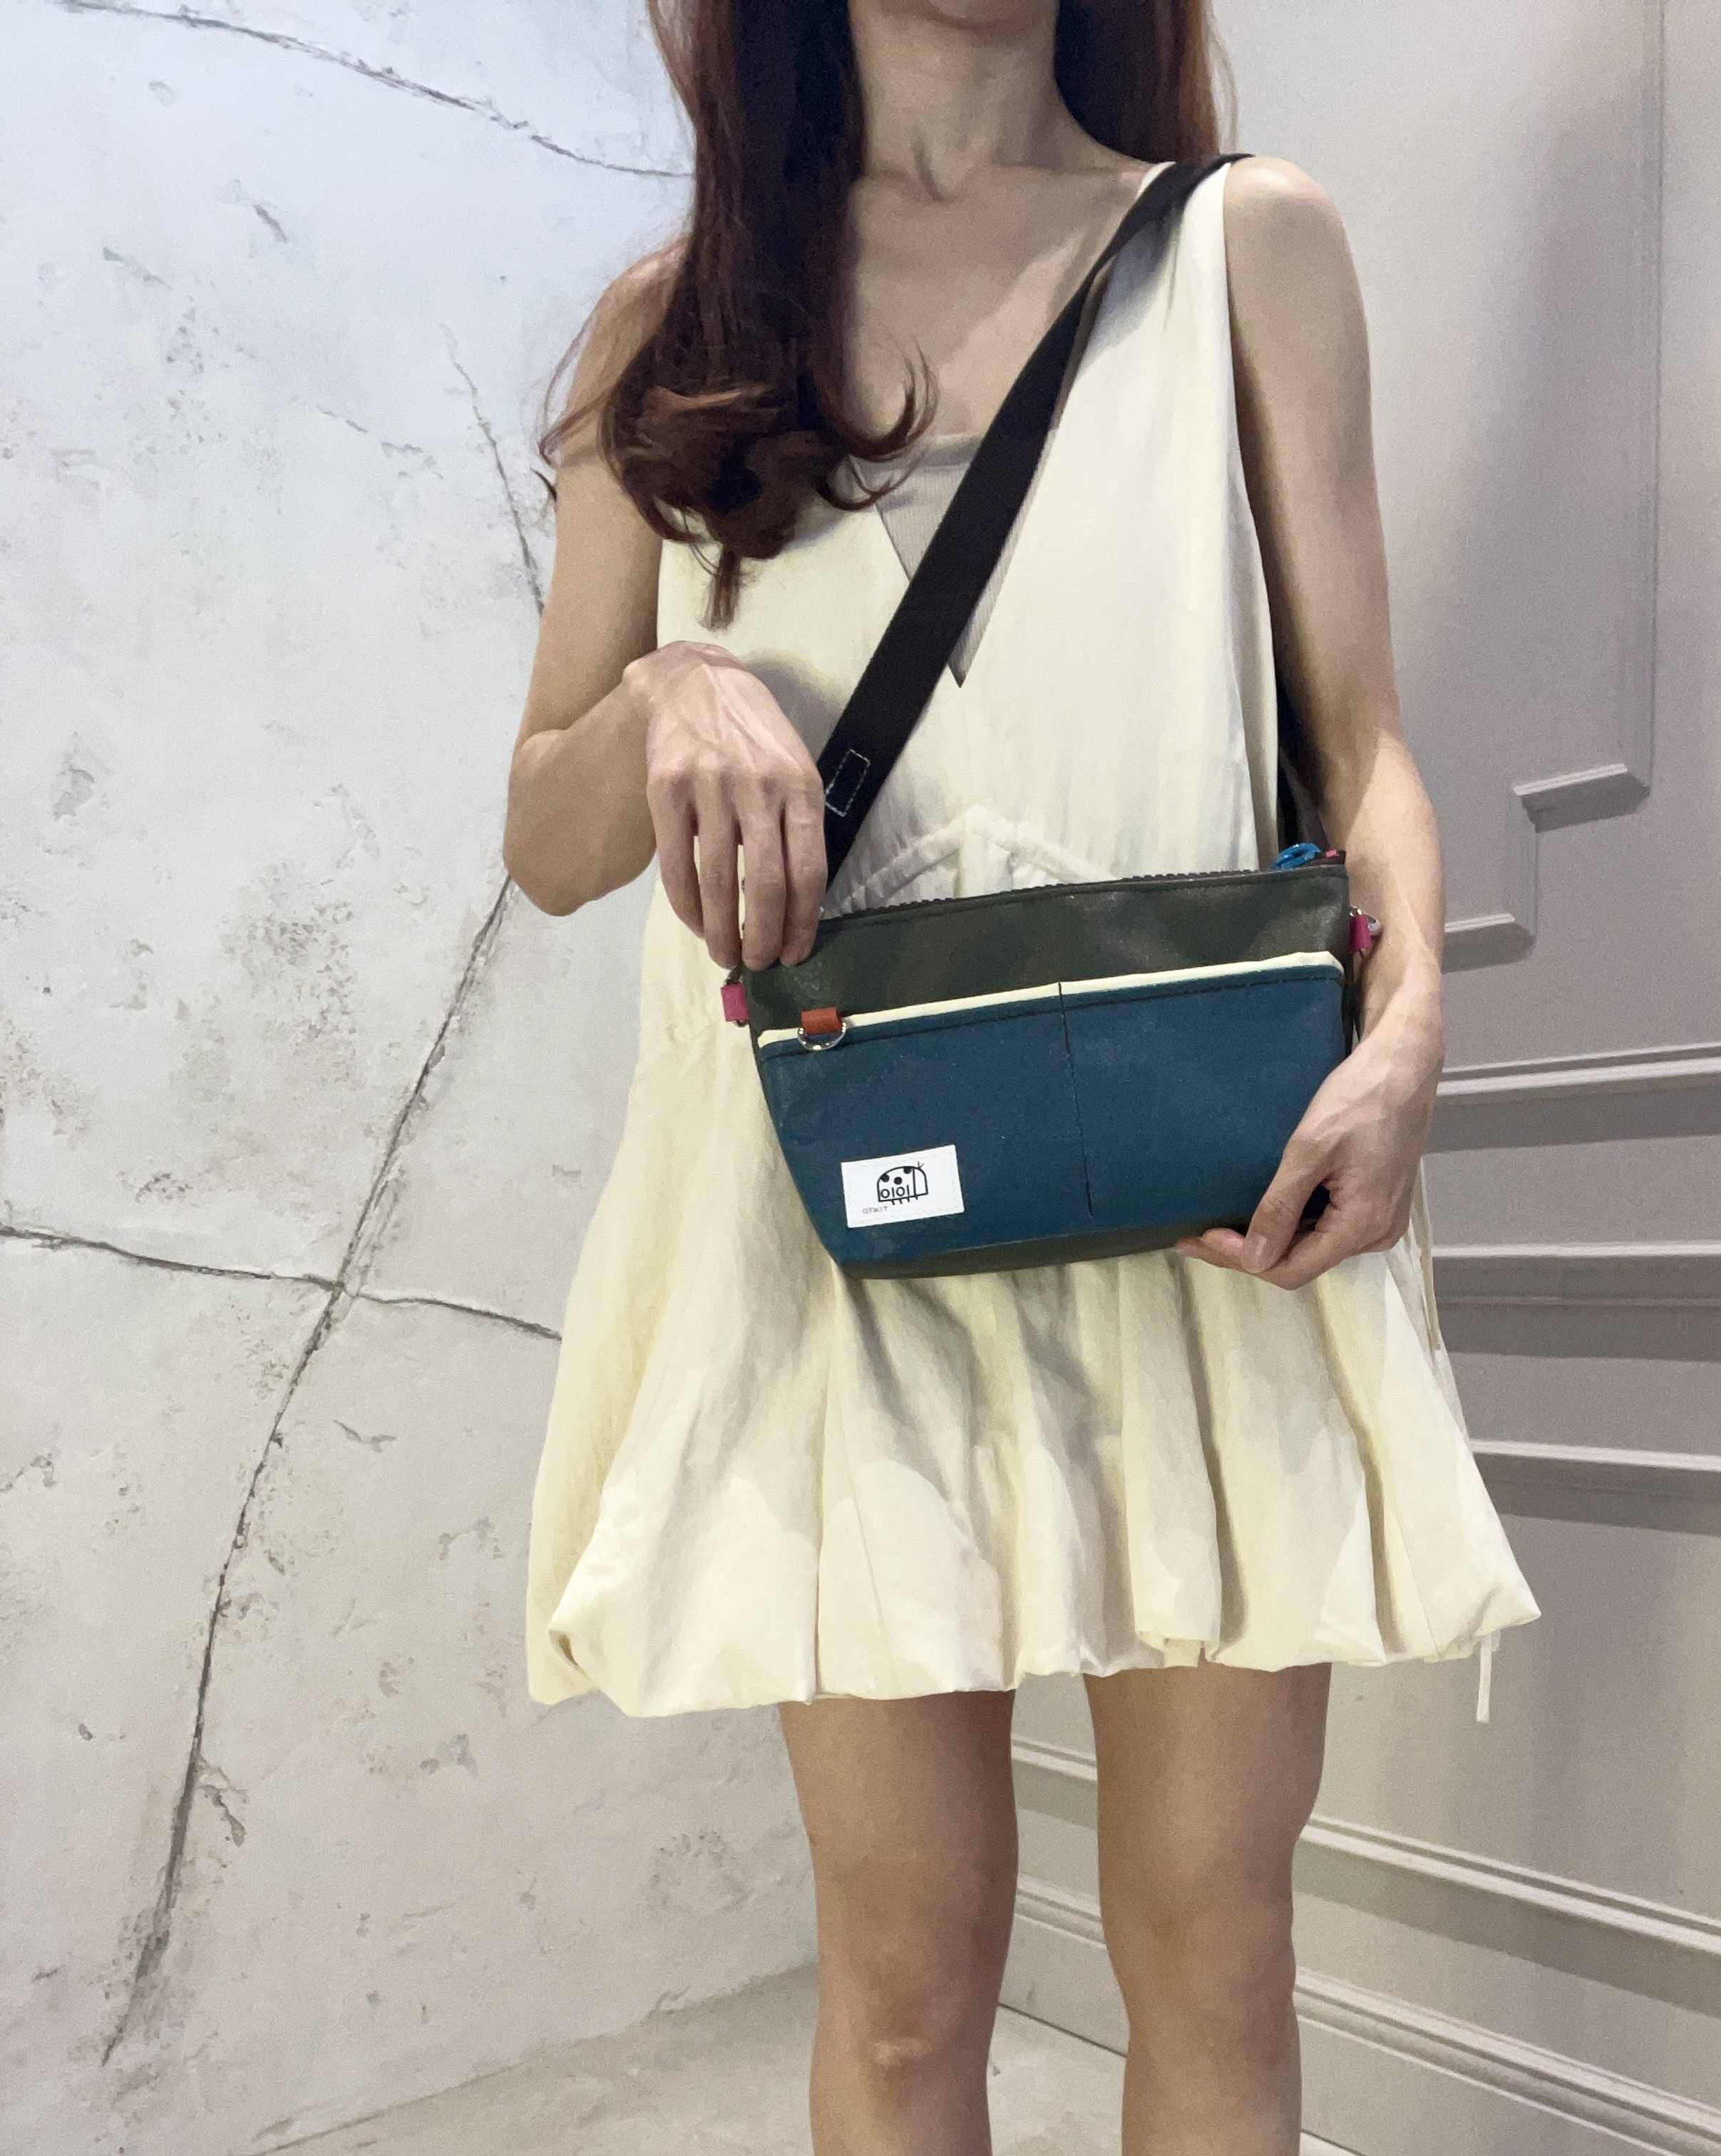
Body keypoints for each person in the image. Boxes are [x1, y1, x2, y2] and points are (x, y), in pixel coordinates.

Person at [503, 3, 1536, 2149]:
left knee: (1217, 1953)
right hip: (830, 1231)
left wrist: (1414, 1031)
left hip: (1202, 1201)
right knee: (901, 1991)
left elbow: (1361, 745)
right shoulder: (675, 326)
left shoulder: (1243, 247)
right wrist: (672, 686)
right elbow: (546, 837)